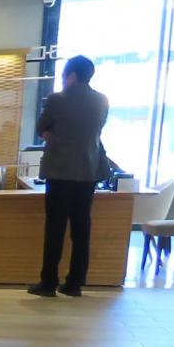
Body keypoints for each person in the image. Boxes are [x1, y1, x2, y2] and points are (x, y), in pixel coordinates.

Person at [29, 54, 110, 298]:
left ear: (72, 76)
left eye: (65, 75)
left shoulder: (57, 99)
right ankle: (75, 283)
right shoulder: (102, 100)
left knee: (55, 228)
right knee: (81, 228)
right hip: (88, 172)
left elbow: (40, 127)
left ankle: (48, 283)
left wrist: (53, 133)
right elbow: (95, 130)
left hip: (59, 172)